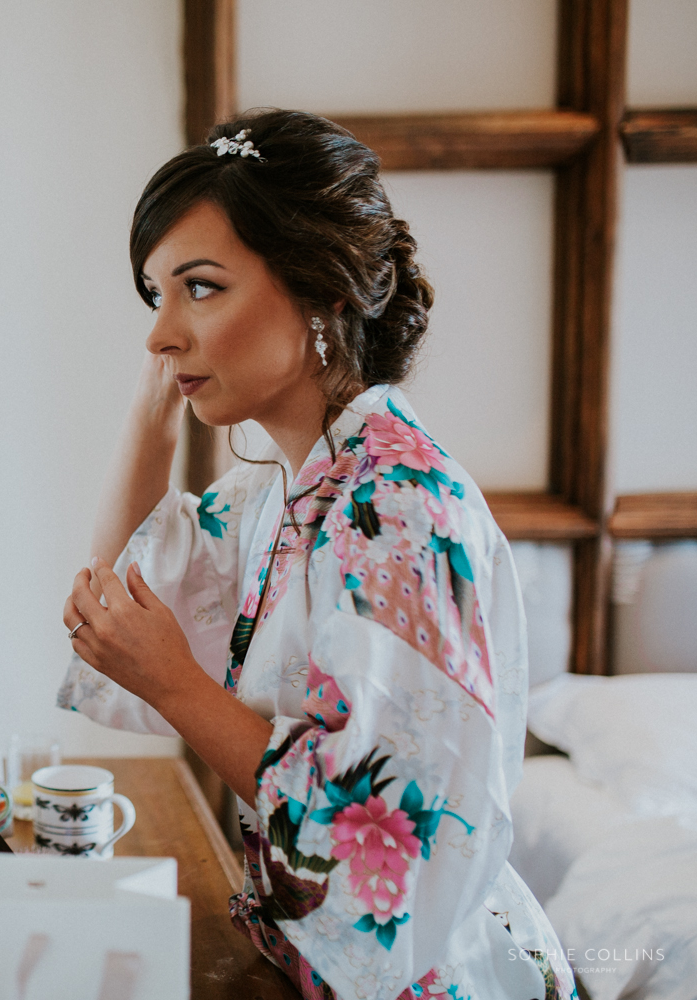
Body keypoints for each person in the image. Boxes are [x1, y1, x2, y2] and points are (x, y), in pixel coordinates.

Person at [57, 110, 575, 1000]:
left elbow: (380, 832)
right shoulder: (285, 493)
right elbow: (116, 601)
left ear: (320, 290)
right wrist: (156, 399)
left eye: (203, 287)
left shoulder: (400, 507)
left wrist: (180, 684)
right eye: (155, 295)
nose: (161, 328)